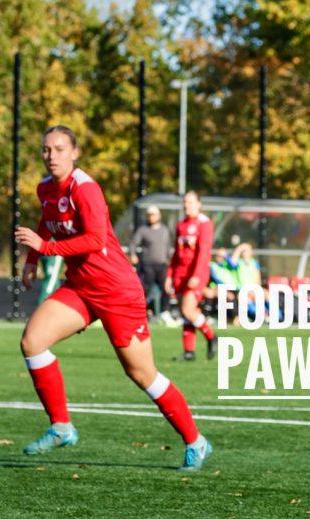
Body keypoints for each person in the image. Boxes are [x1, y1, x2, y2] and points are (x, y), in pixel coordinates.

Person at [14, 125, 212, 471]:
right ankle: (61, 427)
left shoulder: (85, 188)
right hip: (81, 287)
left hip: (116, 290)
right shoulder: (45, 188)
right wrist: (32, 260)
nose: (51, 156)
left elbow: (94, 240)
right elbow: (47, 221)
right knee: (32, 342)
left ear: (74, 153)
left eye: (59, 149)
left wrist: (45, 249)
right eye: (46, 149)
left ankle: (196, 441)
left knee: (142, 373)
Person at [165, 191, 218, 361]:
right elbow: (176, 253)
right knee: (185, 312)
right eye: (185, 202)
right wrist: (169, 275)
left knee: (188, 310)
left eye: (190, 202)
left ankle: (211, 336)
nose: (186, 205)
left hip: (196, 273)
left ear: (199, 204)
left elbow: (204, 252)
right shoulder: (181, 224)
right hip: (180, 273)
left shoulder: (204, 223)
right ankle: (189, 351)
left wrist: (196, 275)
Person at [129, 205, 172, 320]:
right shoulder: (143, 230)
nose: (151, 217)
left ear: (159, 215)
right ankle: (142, 312)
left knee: (166, 288)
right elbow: (133, 243)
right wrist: (133, 254)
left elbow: (167, 247)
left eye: (153, 215)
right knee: (144, 290)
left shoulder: (164, 230)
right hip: (148, 265)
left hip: (162, 264)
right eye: (149, 215)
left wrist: (170, 260)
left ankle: (165, 312)